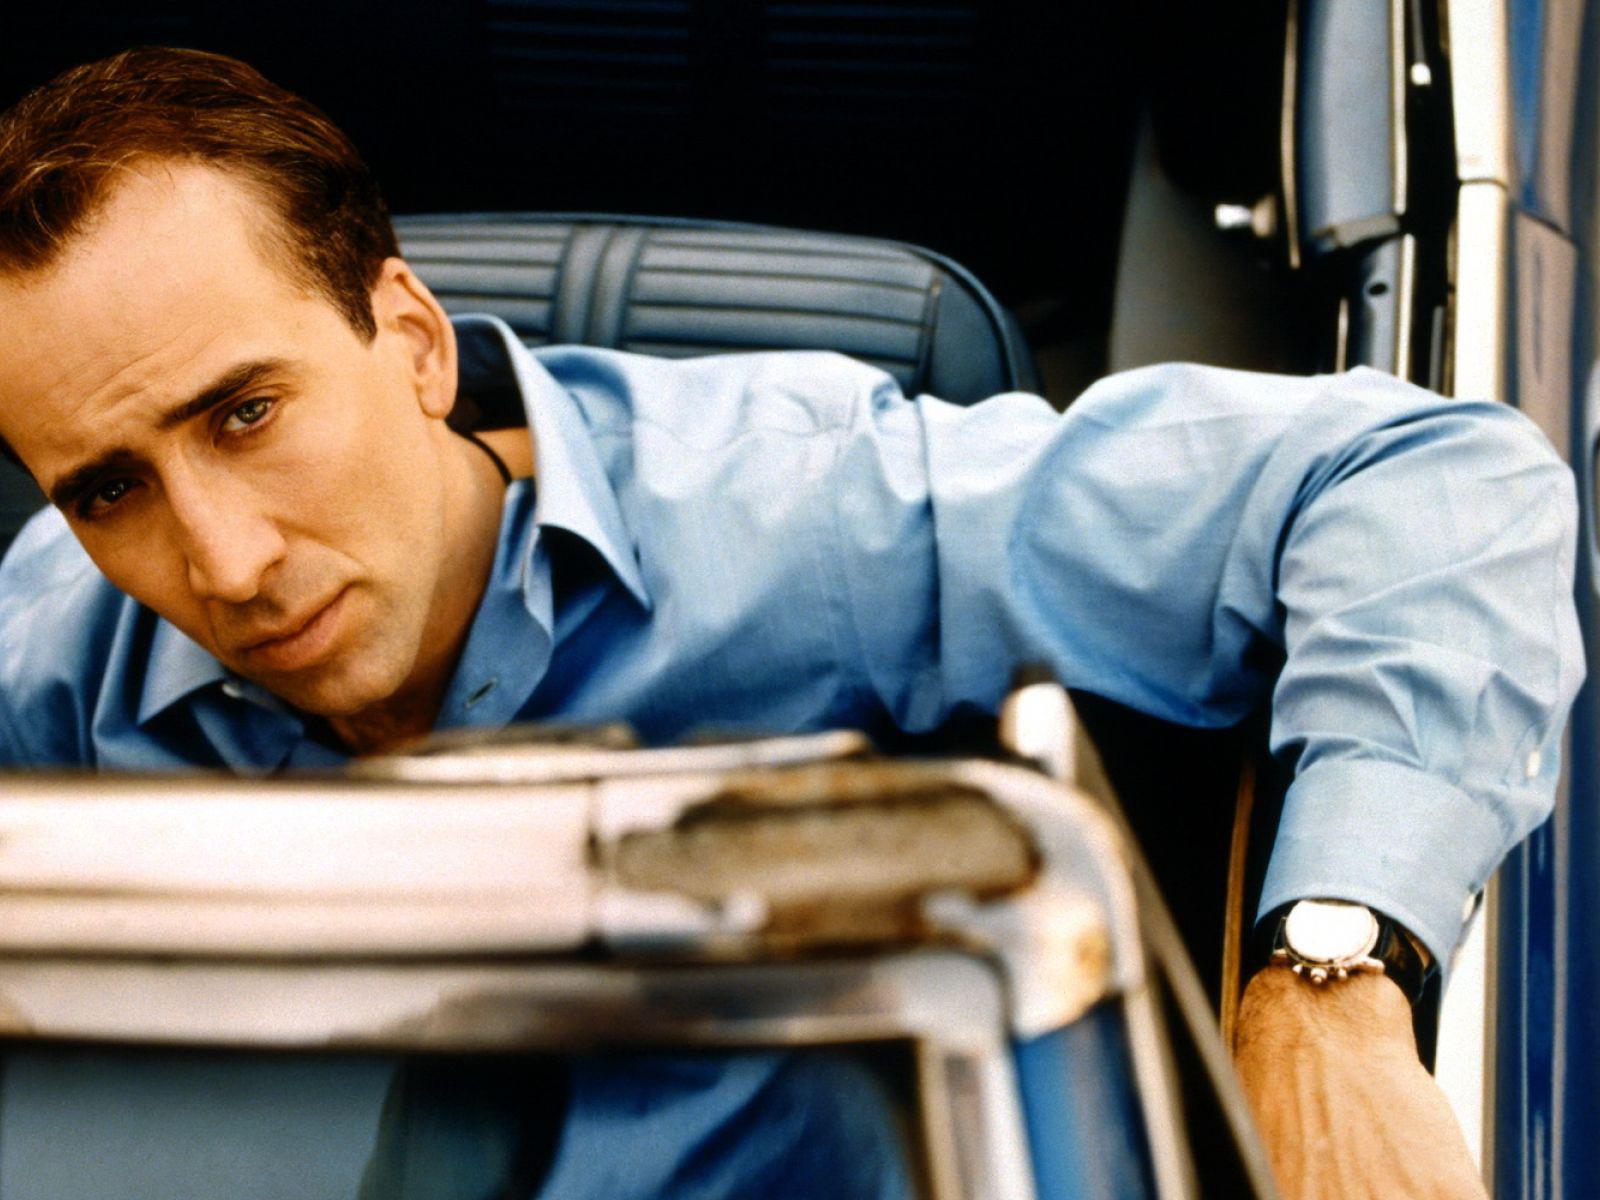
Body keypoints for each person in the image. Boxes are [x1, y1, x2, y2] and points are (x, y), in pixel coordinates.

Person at [0, 47, 1580, 1200]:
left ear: (411, 340)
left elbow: (1428, 477)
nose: (225, 566)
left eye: (247, 413)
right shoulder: (57, 655)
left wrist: (1332, 991)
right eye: (108, 489)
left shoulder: (812, 517)